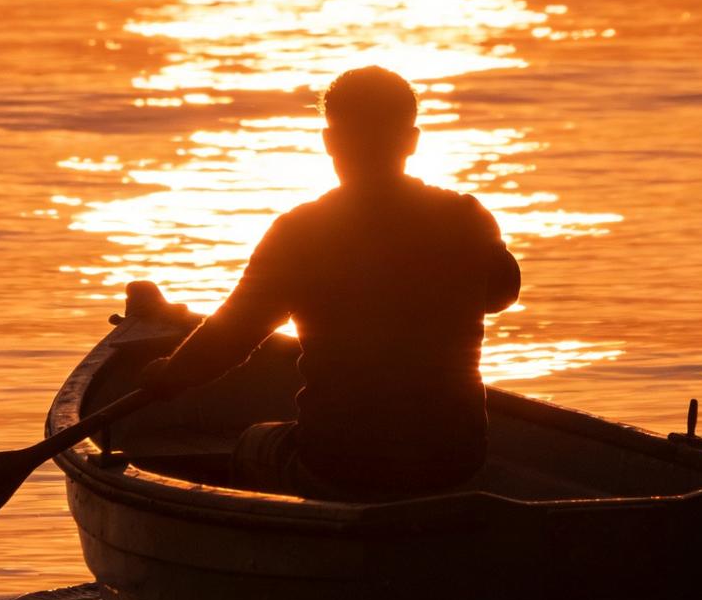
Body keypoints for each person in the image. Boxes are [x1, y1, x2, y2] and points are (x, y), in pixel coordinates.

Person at [139, 66, 521, 500]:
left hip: (343, 464)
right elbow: (502, 294)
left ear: (329, 141)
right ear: (411, 141)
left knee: (252, 444)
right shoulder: (466, 217)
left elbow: (232, 335)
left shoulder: (301, 231)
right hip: (454, 461)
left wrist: (169, 376)